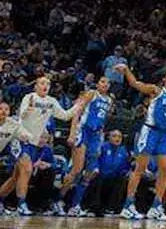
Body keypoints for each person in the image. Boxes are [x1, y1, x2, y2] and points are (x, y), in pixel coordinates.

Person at [1, 76, 83, 215]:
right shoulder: (29, 97)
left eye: (48, 83)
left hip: (34, 143)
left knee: (16, 177)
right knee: (26, 170)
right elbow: (22, 114)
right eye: (42, 83)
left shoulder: (52, 101)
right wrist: (28, 110)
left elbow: (65, 115)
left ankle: (1, 200)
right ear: (36, 86)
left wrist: (78, 105)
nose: (46, 85)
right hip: (21, 139)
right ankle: (21, 205)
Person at [115, 64, 166, 220]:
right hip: (150, 131)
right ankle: (128, 206)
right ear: (164, 78)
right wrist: (127, 70)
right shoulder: (156, 91)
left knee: (164, 171)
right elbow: (135, 84)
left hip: (164, 135)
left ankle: (156, 206)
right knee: (139, 169)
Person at [56, 75, 114, 217]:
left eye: (108, 83)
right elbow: (77, 113)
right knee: (76, 170)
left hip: (96, 136)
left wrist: (100, 141)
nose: (105, 84)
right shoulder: (91, 94)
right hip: (84, 132)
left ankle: (75, 206)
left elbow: (102, 122)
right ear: (98, 83)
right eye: (102, 81)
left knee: (89, 173)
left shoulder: (109, 100)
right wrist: (72, 133)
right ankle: (57, 200)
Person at [96, 130, 131, 216]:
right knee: (96, 178)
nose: (117, 139)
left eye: (119, 137)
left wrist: (128, 172)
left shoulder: (123, 151)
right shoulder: (102, 147)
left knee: (123, 180)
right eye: (114, 136)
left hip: (114, 177)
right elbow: (96, 160)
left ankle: (111, 208)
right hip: (100, 176)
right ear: (109, 137)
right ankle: (95, 208)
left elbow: (126, 167)